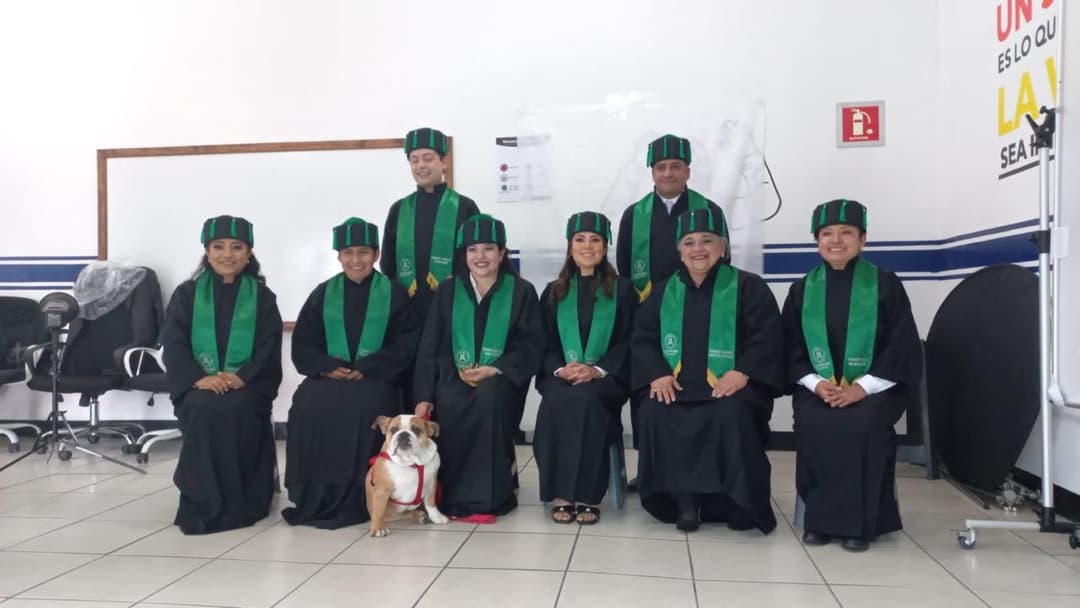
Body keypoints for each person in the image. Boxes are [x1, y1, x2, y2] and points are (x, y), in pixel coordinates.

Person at [781, 199, 922, 552]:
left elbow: (901, 347)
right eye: (827, 233)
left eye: (846, 232)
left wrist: (863, 388)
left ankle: (861, 524)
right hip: (820, 389)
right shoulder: (802, 290)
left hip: (877, 391)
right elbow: (788, 348)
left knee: (863, 423)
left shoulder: (886, 285)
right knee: (817, 421)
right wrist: (817, 383)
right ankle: (821, 521)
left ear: (863, 238)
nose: (836, 240)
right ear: (817, 241)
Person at [632, 207, 783, 533]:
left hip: (729, 387)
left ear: (723, 246)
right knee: (656, 410)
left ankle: (738, 501)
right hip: (678, 386)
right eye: (689, 242)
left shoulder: (748, 287)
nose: (698, 249)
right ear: (679, 251)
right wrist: (657, 373)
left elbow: (767, 338)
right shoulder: (662, 291)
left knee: (732, 412)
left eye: (706, 240)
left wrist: (743, 372)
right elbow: (642, 339)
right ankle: (683, 501)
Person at [281, 217, 420, 529]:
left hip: (376, 380)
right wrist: (328, 367)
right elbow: (304, 344)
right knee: (307, 405)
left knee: (364, 409)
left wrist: (366, 367)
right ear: (339, 256)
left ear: (376, 254)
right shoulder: (322, 294)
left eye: (363, 252)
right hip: (328, 379)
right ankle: (315, 495)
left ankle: (364, 495)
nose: (355, 260)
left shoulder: (394, 294)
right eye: (348, 253)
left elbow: (407, 343)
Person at [413, 213, 543, 519]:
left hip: (501, 379)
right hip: (452, 376)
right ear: (464, 254)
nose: (480, 256)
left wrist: (495, 369)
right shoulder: (447, 291)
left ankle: (489, 498)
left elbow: (532, 345)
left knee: (489, 398)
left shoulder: (521, 291)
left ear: (501, 252)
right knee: (452, 400)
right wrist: (424, 395)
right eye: (473, 249)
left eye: (488, 248)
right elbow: (430, 346)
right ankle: (452, 494)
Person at [160, 215, 283, 535]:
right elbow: (173, 342)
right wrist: (197, 378)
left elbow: (269, 346)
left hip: (247, 385)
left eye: (236, 247)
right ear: (206, 251)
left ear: (249, 253)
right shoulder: (186, 295)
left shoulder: (262, 297)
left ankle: (245, 501)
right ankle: (200, 500)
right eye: (218, 247)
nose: (227, 254)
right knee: (204, 406)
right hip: (198, 384)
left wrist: (242, 376)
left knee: (235, 407)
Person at [616, 134, 727, 474]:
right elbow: (624, 267)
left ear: (687, 171)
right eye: (660, 167)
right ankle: (650, 470)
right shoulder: (634, 215)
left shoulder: (709, 211)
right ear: (651, 172)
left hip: (699, 317)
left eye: (675, 167)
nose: (667, 173)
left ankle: (701, 469)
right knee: (648, 392)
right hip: (648, 319)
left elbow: (723, 266)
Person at [534, 212, 636, 525]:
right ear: (570, 246)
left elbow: (630, 341)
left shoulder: (624, 291)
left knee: (588, 400)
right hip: (561, 377)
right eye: (580, 239)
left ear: (606, 247)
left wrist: (598, 370)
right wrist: (560, 370)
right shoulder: (554, 291)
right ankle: (561, 493)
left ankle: (588, 495)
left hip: (607, 379)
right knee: (556, 401)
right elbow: (544, 343)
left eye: (595, 240)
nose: (587, 246)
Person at [381, 127, 481, 323]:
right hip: (407, 311)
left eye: (428, 158)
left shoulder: (465, 207)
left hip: (454, 308)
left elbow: (476, 261)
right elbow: (388, 263)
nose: (421, 166)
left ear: (443, 162)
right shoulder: (399, 210)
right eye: (414, 160)